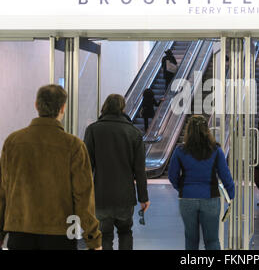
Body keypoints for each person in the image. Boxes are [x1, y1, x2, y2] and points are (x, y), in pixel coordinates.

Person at [0, 84, 101, 250]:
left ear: (36, 105)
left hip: (20, 231)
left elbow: (3, 191)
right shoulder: (74, 146)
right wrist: (92, 238)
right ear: (63, 108)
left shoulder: (13, 142)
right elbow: (83, 197)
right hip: (60, 233)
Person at [84, 94, 150, 250]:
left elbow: (86, 167)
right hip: (125, 197)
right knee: (125, 232)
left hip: (101, 196)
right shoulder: (134, 133)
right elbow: (140, 170)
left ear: (105, 107)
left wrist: (84, 197)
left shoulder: (93, 130)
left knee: (105, 235)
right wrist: (143, 197)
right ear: (122, 109)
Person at [168, 115, 235, 250]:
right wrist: (231, 196)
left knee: (191, 240)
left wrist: (181, 187)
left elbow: (172, 175)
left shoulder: (180, 150)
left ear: (189, 130)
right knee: (212, 240)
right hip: (210, 198)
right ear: (207, 130)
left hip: (187, 198)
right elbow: (225, 175)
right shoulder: (216, 150)